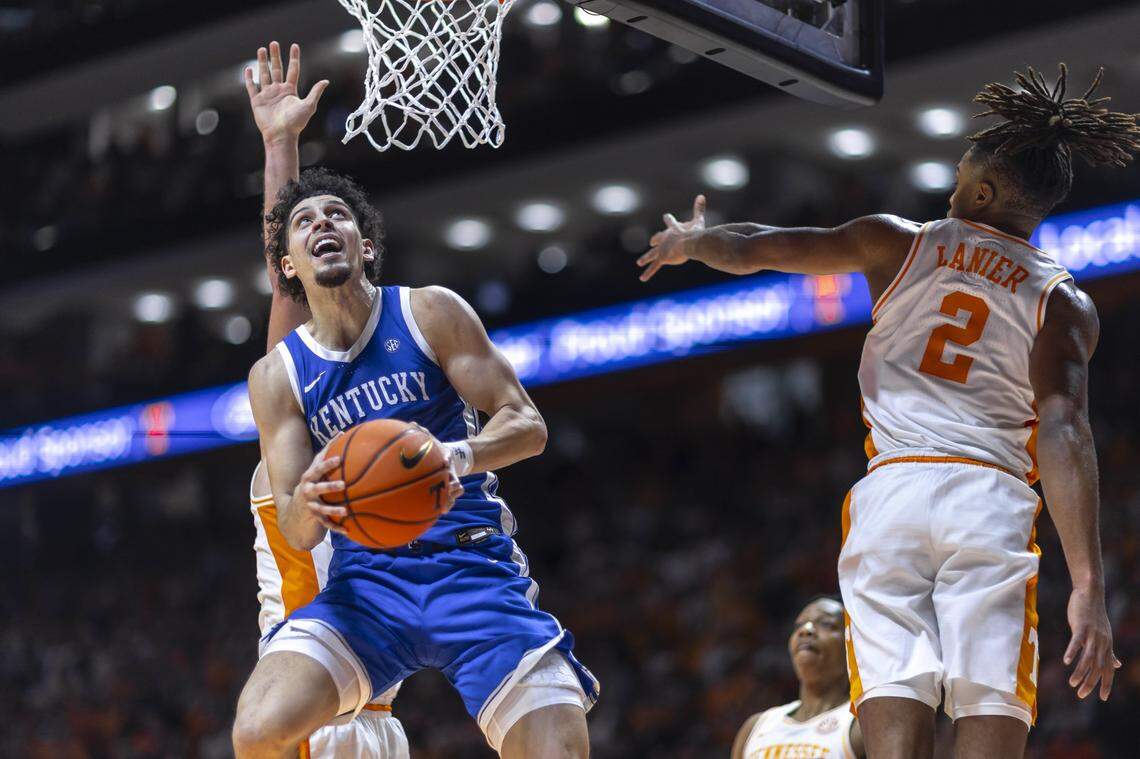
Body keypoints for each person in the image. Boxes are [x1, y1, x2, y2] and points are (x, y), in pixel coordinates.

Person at [638, 65, 1139, 759]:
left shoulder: (899, 241)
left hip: (892, 492)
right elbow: (1062, 429)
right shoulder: (1062, 302)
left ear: (984, 191)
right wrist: (1088, 582)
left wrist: (694, 241)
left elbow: (761, 247)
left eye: (962, 173)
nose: (951, 183)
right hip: (988, 496)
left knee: (894, 698)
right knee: (989, 699)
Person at [231, 42, 599, 759]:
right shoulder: (280, 374)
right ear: (288, 263)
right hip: (367, 586)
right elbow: (301, 530)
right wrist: (315, 494)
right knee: (258, 728)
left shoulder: (429, 312)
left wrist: (451, 454)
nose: (323, 225)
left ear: (367, 246)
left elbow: (527, 426)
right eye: (306, 224)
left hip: (470, 562)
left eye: (338, 215)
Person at [244, 42, 409, 758]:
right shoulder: (292, 421)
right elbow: (287, 288)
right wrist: (281, 145)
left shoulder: (389, 426)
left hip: (380, 718)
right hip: (312, 722)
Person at [731, 598, 864, 759]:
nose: (806, 630)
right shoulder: (756, 727)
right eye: (799, 626)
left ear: (851, 644)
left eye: (826, 624)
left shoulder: (860, 724)